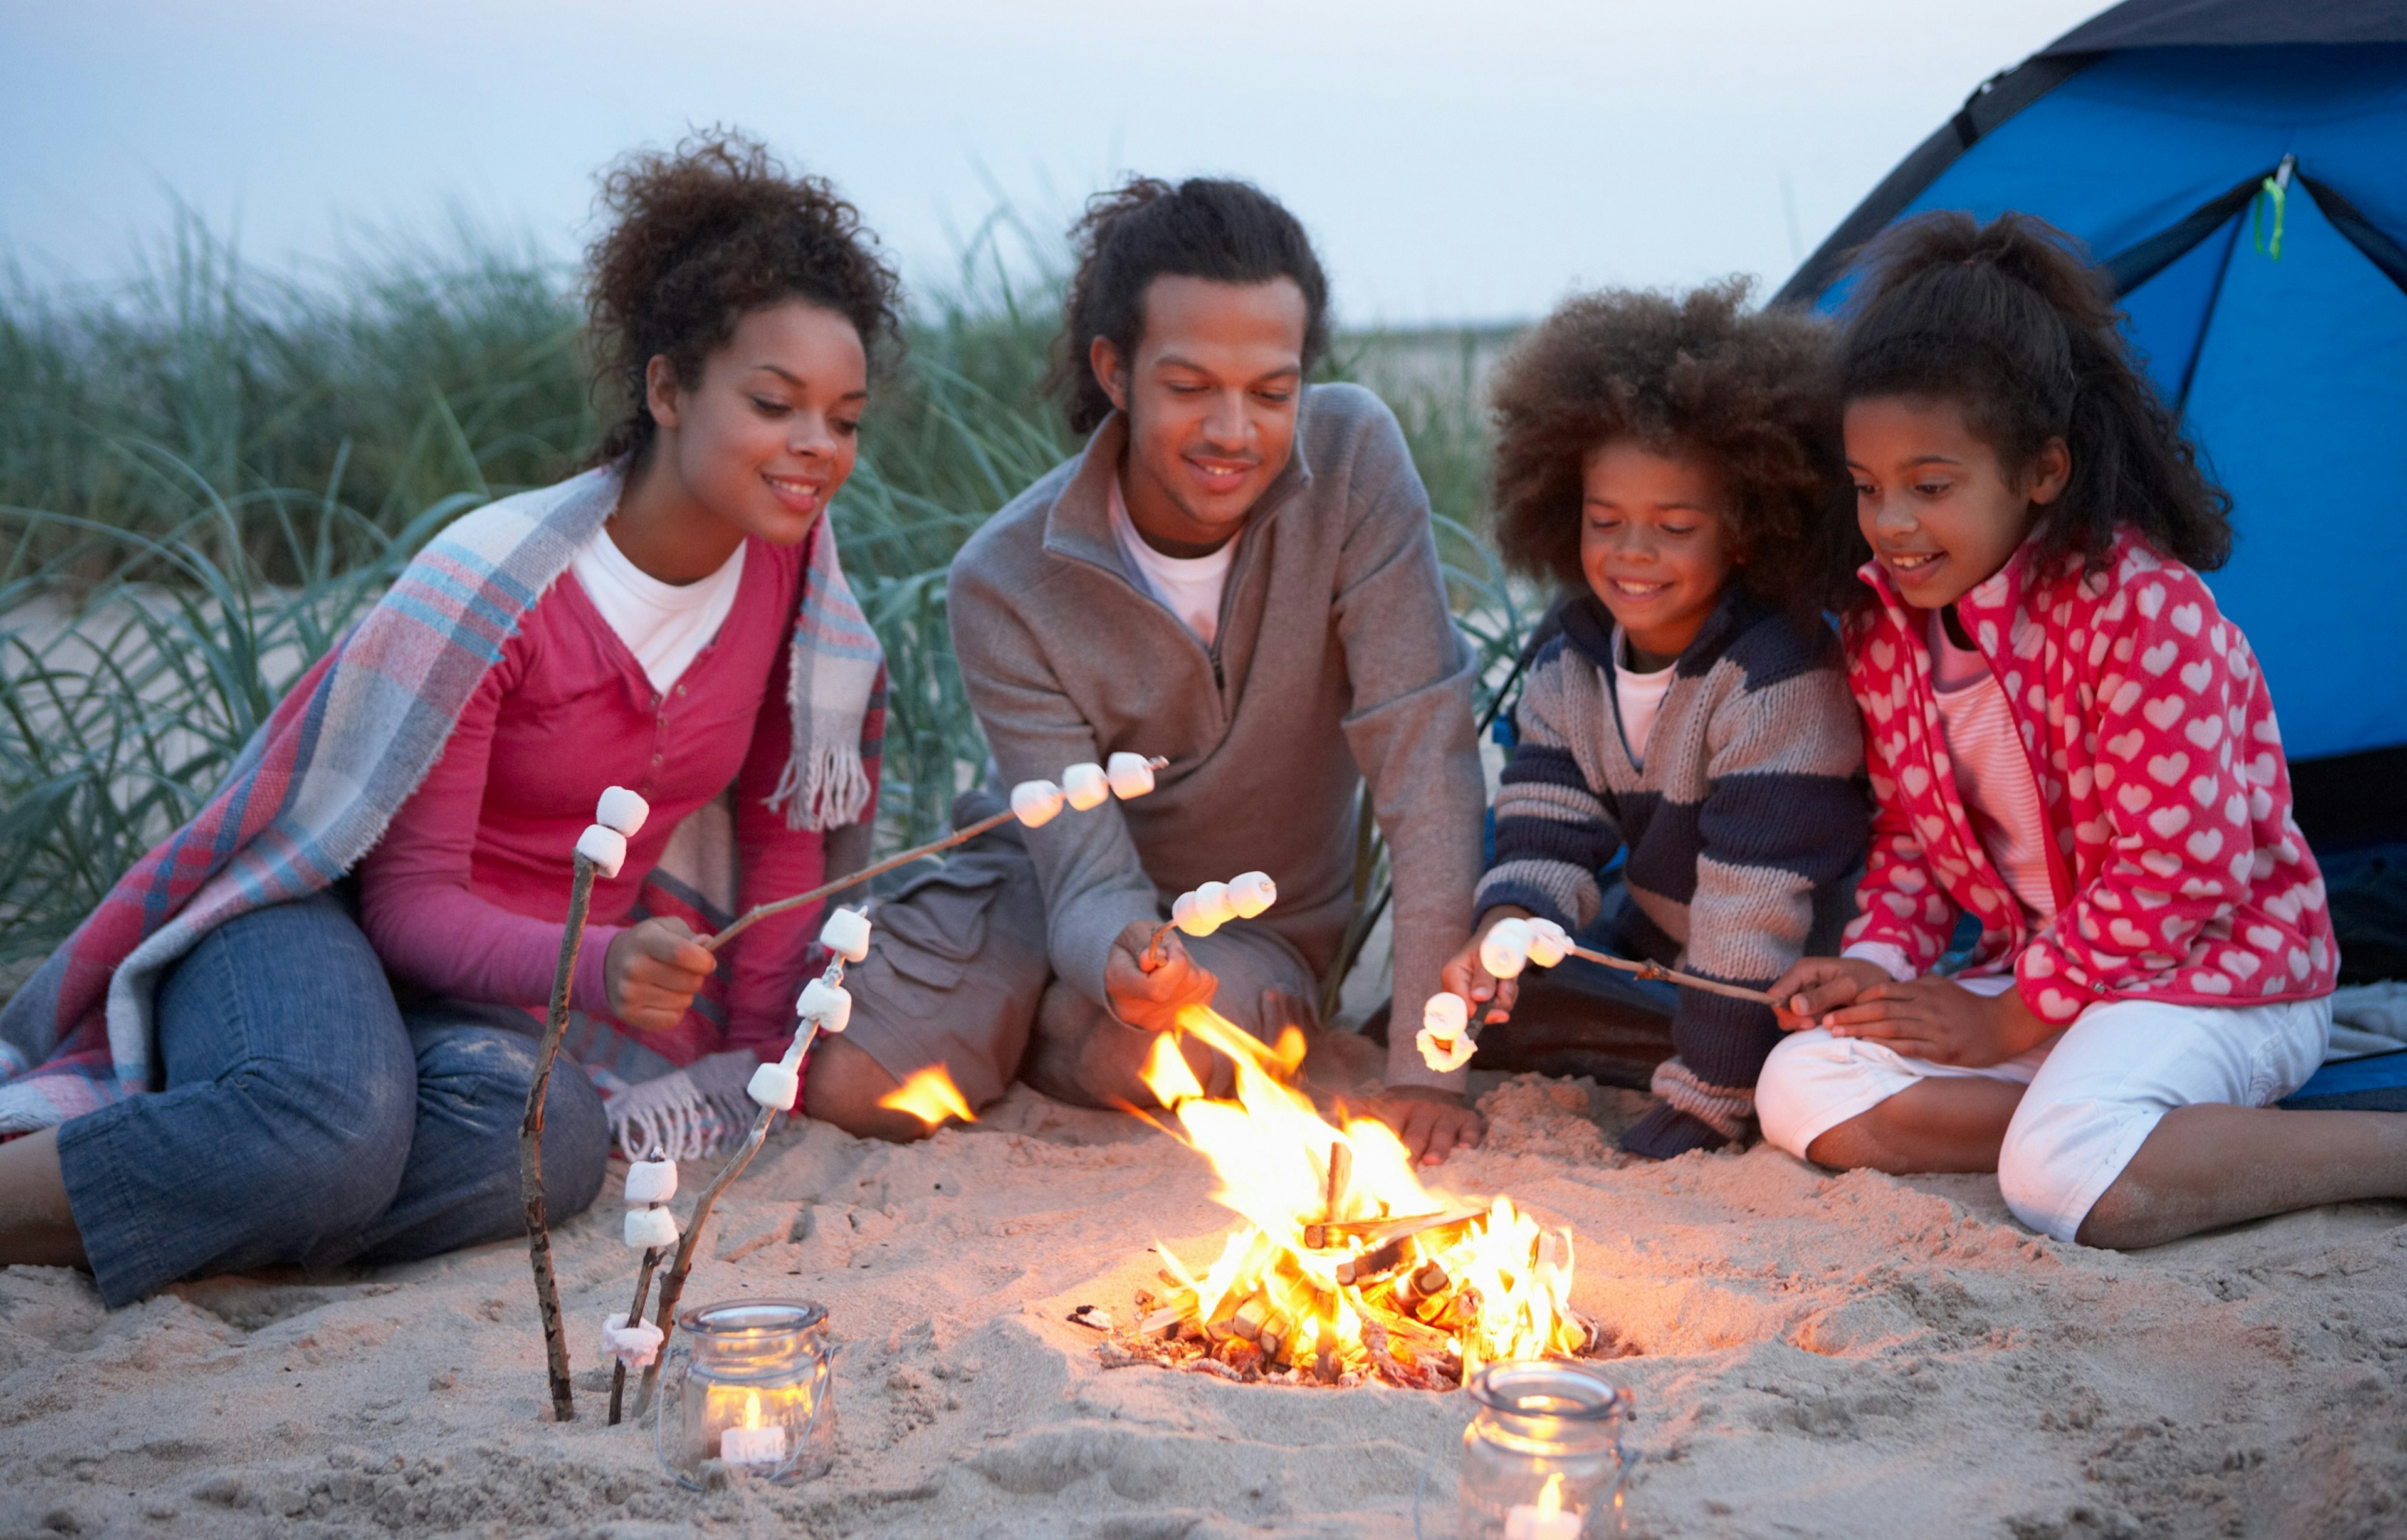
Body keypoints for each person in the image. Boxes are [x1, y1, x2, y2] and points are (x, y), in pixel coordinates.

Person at [0, 134, 893, 1305]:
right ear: (669, 390)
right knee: (329, 1125)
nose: (817, 447)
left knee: (547, 1149)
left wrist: (770, 1069)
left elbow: (782, 847)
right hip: (309, 929)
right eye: (776, 404)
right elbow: (406, 902)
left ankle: (243, 1211)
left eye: (846, 417)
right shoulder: (498, 590)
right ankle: (214, 1186)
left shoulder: (790, 591)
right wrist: (599, 959)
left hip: (483, 1011)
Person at [804, 177, 1489, 1162]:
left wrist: (1430, 1062)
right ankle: (1038, 996)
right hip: (1042, 886)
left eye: (1271, 391)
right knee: (855, 1078)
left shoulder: (1354, 464)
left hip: (1252, 932)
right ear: (1115, 372)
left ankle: (1041, 1020)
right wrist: (1112, 954)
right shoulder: (1004, 580)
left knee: (1148, 1059)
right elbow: (1082, 876)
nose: (1232, 432)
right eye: (1190, 386)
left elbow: (1425, 768)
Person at [1758, 211, 2405, 1250]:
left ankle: (2376, 1149)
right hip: (2054, 984)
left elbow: (2182, 871)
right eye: (1869, 489)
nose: (1894, 525)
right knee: (1800, 1085)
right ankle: (2124, 1131)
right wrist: (1880, 966)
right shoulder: (1885, 628)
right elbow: (1914, 841)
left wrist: (2011, 1021)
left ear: (2042, 471)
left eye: (1932, 488)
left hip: (2220, 976)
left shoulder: (2141, 609)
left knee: (2061, 1185)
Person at [1442, 283, 1865, 1157]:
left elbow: (1754, 912)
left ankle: (1729, 1068)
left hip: (1794, 966)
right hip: (1666, 942)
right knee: (1480, 1003)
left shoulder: (1776, 677)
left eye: (1674, 527)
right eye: (1606, 522)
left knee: (1751, 1031)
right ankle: (1676, 1039)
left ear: (1744, 531)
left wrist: (1704, 1099)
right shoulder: (1572, 653)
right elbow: (1549, 822)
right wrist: (1507, 925)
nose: (1633, 553)